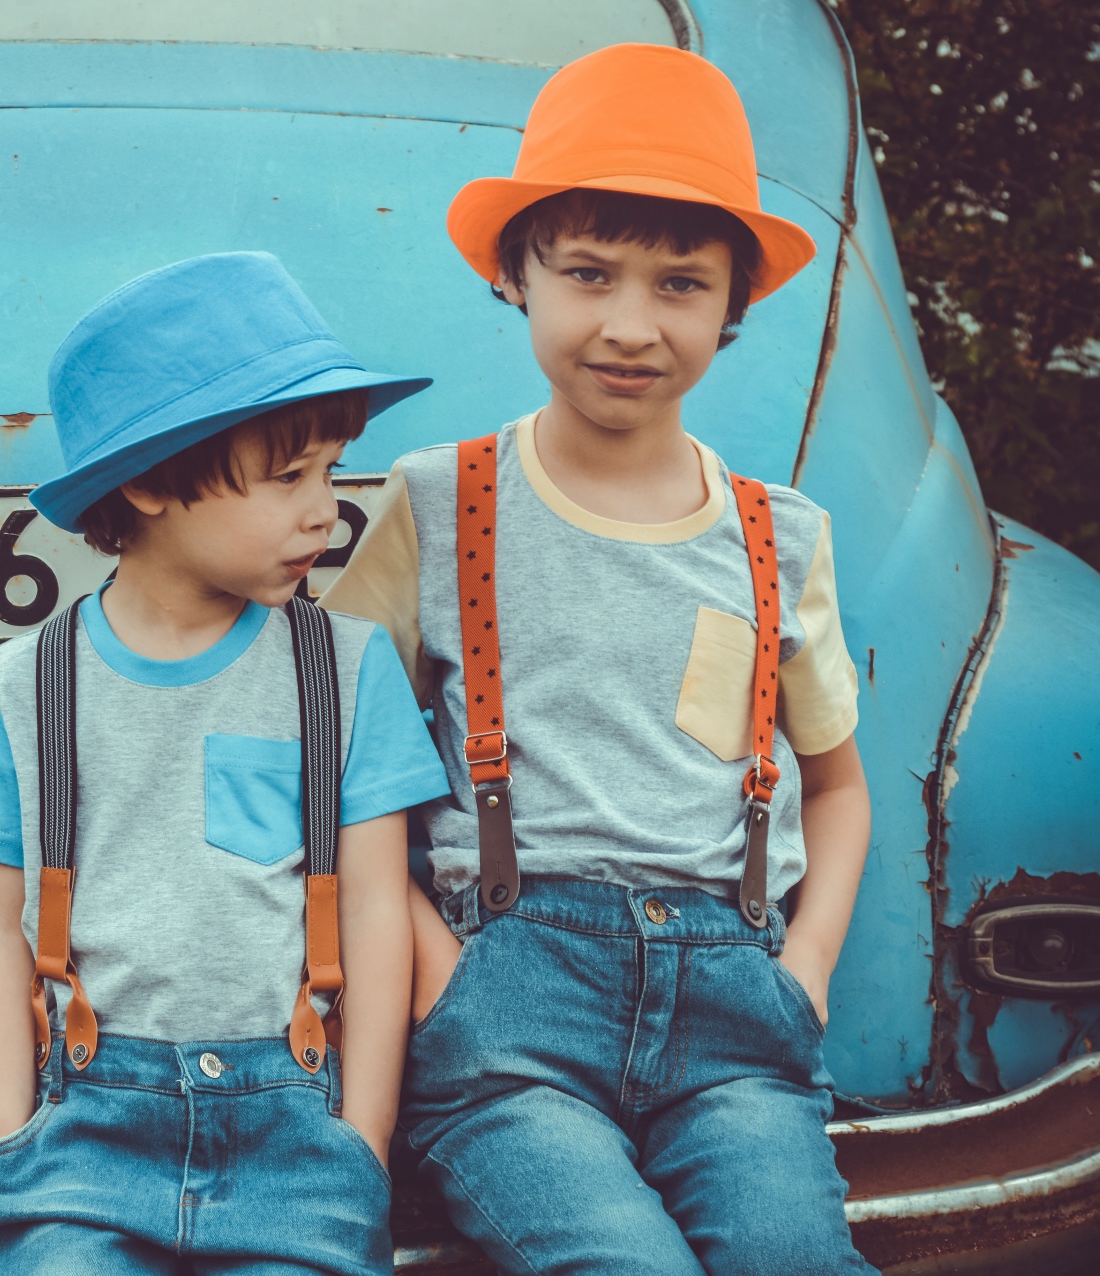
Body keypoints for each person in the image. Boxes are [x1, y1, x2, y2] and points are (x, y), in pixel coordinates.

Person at [323, 44, 877, 1274]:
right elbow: (339, 771)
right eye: (587, 273)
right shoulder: (438, 502)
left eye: (681, 284)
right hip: (509, 1023)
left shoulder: (776, 535)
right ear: (517, 276)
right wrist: (435, 980)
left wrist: (807, 973)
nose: (630, 324)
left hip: (739, 1013)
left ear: (735, 305)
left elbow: (836, 786)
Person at [0, 251, 452, 1273]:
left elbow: (381, 913)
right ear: (157, 481)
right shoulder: (19, 687)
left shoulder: (345, 671)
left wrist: (364, 1142)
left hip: (294, 1143)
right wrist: (6, 1133)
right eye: (289, 476)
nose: (326, 509)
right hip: (80, 1144)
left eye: (331, 471)